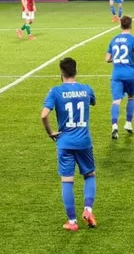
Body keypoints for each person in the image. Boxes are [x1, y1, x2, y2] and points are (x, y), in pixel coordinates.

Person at [41, 57, 98, 232]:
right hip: (84, 141)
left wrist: (50, 132)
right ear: (76, 71)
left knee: (67, 181)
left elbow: (44, 115)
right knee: (89, 175)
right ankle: (88, 210)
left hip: (65, 142)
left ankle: (72, 221)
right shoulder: (86, 89)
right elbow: (93, 102)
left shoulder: (55, 92)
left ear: (61, 73)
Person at [105, 15, 134, 140]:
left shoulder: (114, 39)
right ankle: (128, 123)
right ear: (131, 25)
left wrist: (116, 59)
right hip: (130, 74)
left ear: (120, 25)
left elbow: (107, 59)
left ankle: (114, 125)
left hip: (117, 74)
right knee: (131, 97)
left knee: (116, 101)